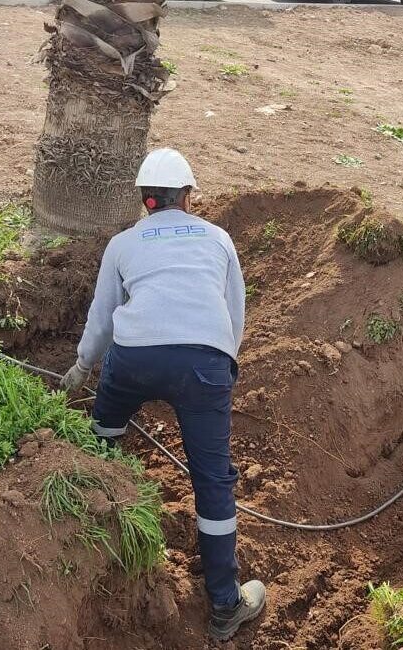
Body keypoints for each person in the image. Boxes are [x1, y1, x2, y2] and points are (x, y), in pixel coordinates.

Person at [60, 148, 266, 641]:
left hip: (134, 361)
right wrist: (221, 369)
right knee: (213, 482)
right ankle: (224, 605)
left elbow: (103, 317)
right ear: (188, 197)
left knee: (101, 439)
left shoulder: (124, 244)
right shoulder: (218, 239)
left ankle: (91, 548)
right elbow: (233, 315)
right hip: (205, 364)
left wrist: (80, 368)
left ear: (145, 200)